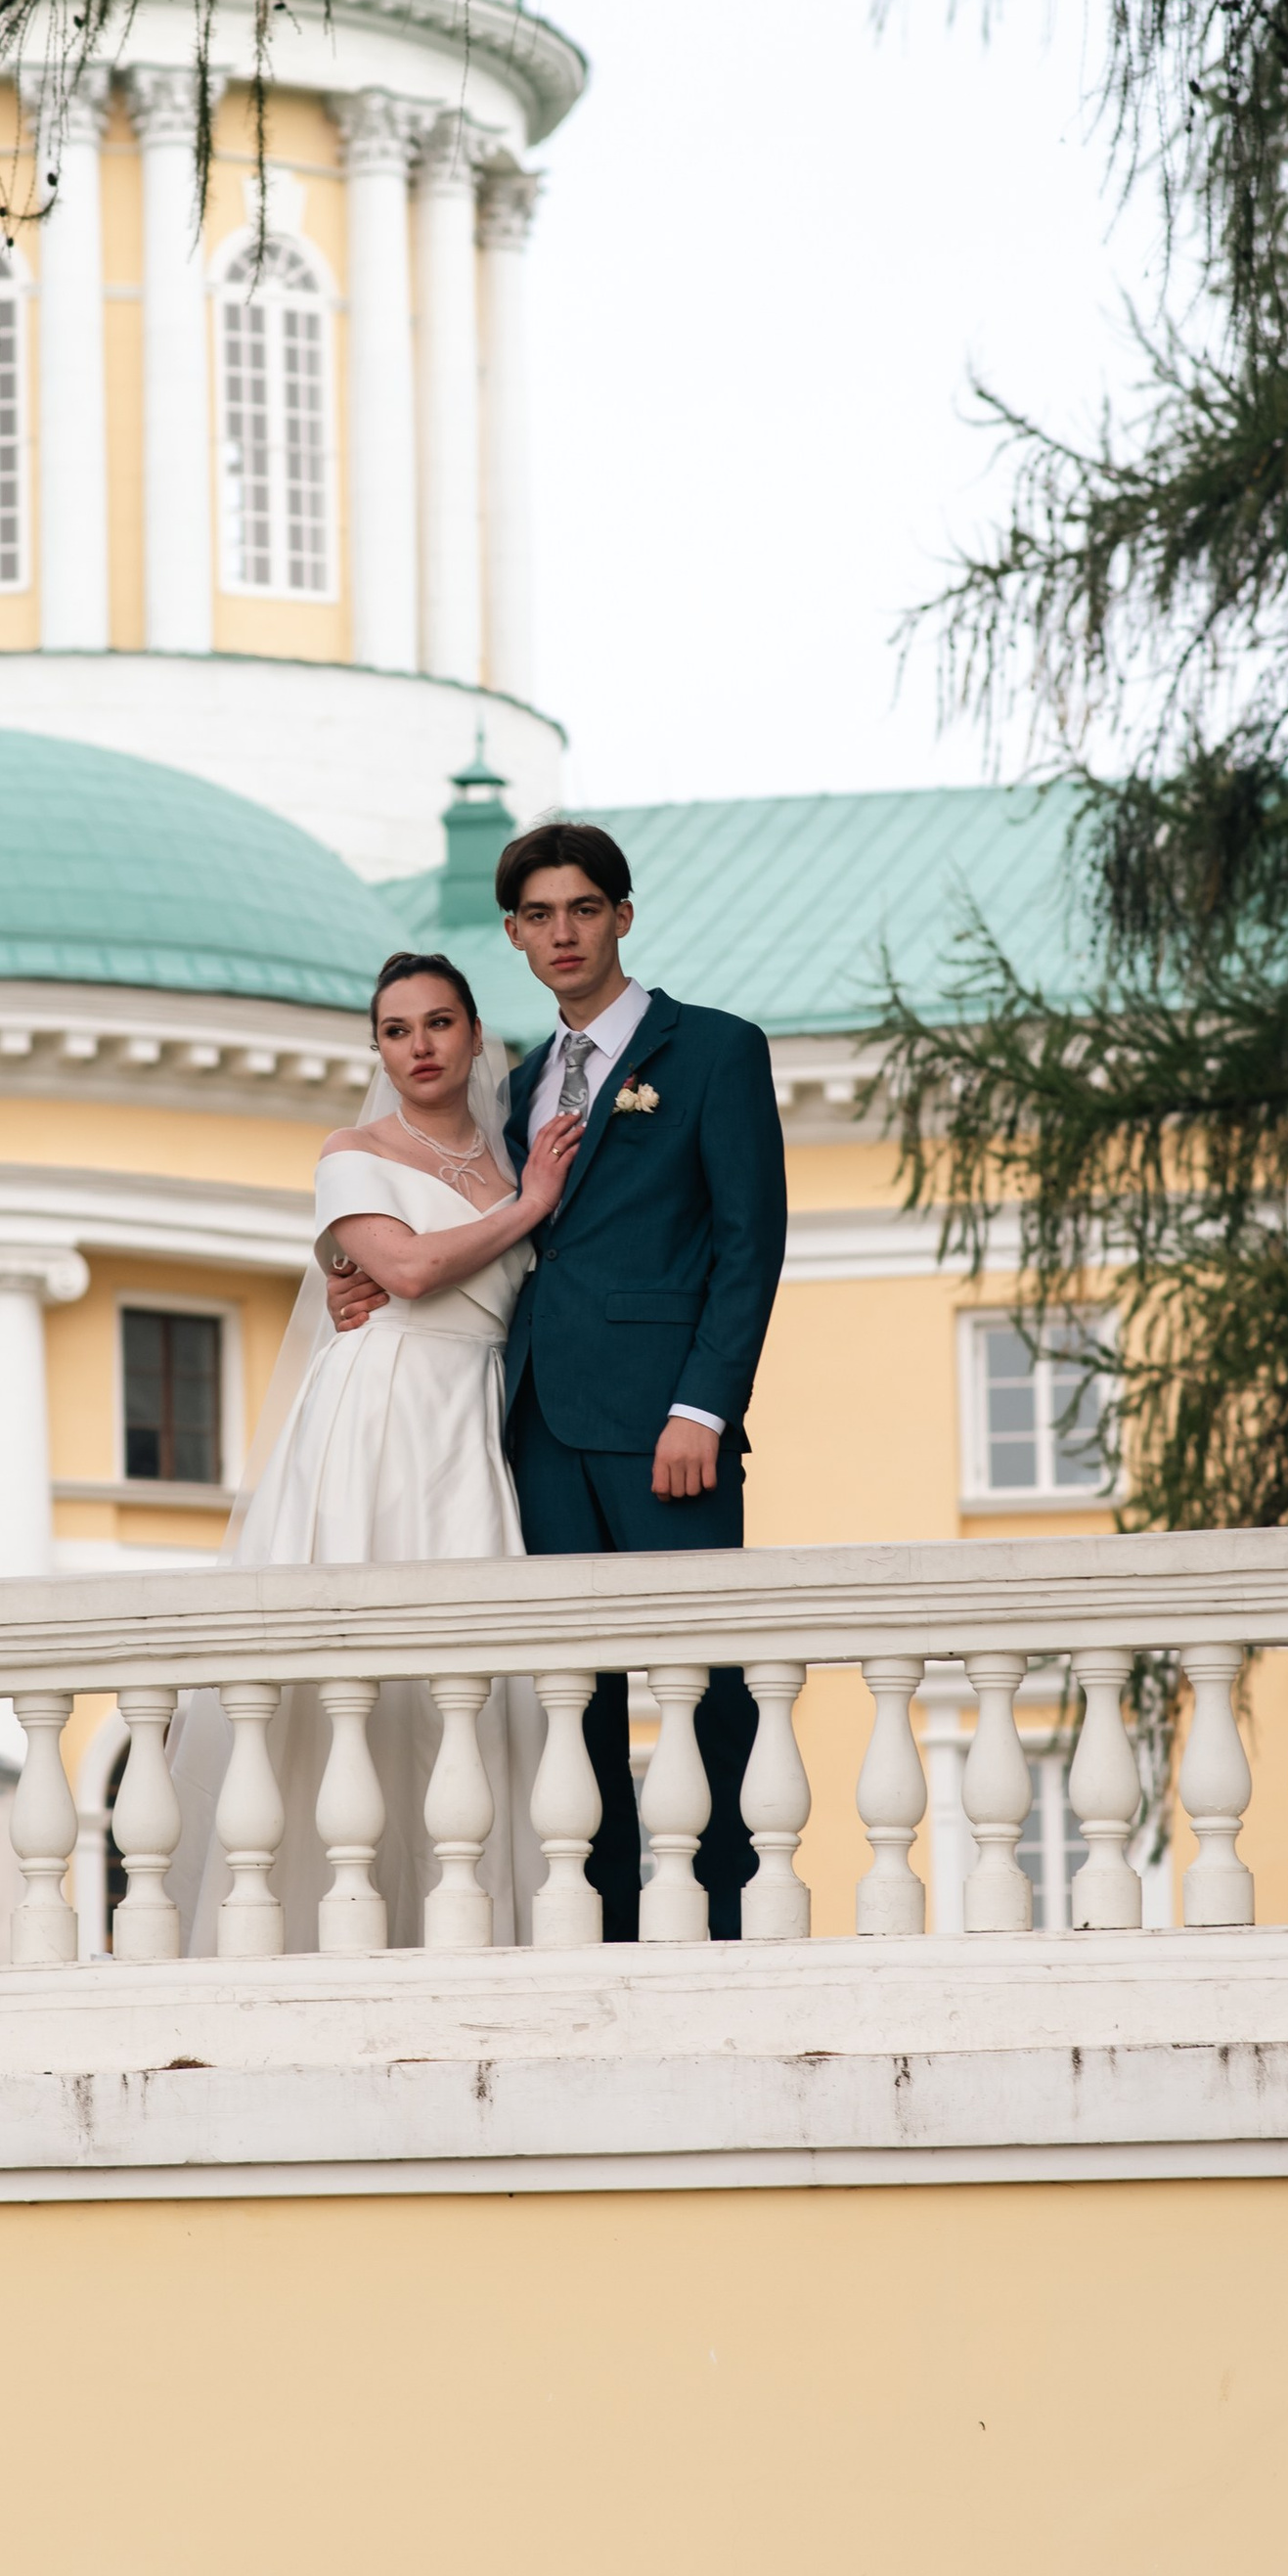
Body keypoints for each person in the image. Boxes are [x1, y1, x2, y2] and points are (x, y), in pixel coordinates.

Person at [329, 822, 787, 1939]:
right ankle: (608, 1919)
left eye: (583, 908)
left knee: (697, 1676)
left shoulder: (715, 1051)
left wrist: (702, 1406)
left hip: (662, 1428)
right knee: (572, 1694)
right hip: (529, 1429)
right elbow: (471, 1226)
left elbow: (749, 1240)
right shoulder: (522, 1085)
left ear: (622, 915)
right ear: (513, 936)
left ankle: (726, 1916)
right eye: (538, 916)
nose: (562, 932)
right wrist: (350, 1273)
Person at [163, 951, 583, 1951]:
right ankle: (332, 1921)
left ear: (476, 1035)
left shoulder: (510, 1145)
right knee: (359, 1651)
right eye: (396, 1031)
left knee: (467, 1663)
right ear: (378, 1048)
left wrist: (521, 1189)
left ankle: (467, 1920)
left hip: (476, 1411)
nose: (419, 1047)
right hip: (382, 1406)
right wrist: (529, 1205)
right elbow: (404, 1265)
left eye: (439, 1023)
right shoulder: (353, 1150)